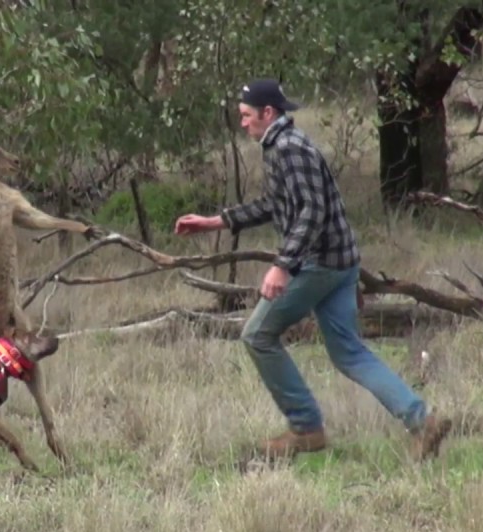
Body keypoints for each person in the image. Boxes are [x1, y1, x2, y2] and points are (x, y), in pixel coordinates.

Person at [174, 78, 452, 464]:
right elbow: (278, 203)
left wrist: (282, 267)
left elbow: (312, 212)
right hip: (340, 262)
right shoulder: (282, 145)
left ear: (268, 113)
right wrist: (216, 221)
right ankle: (422, 421)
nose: (242, 123)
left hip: (320, 265)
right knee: (350, 353)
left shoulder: (288, 149)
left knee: (256, 335)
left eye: (246, 116)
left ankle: (305, 428)